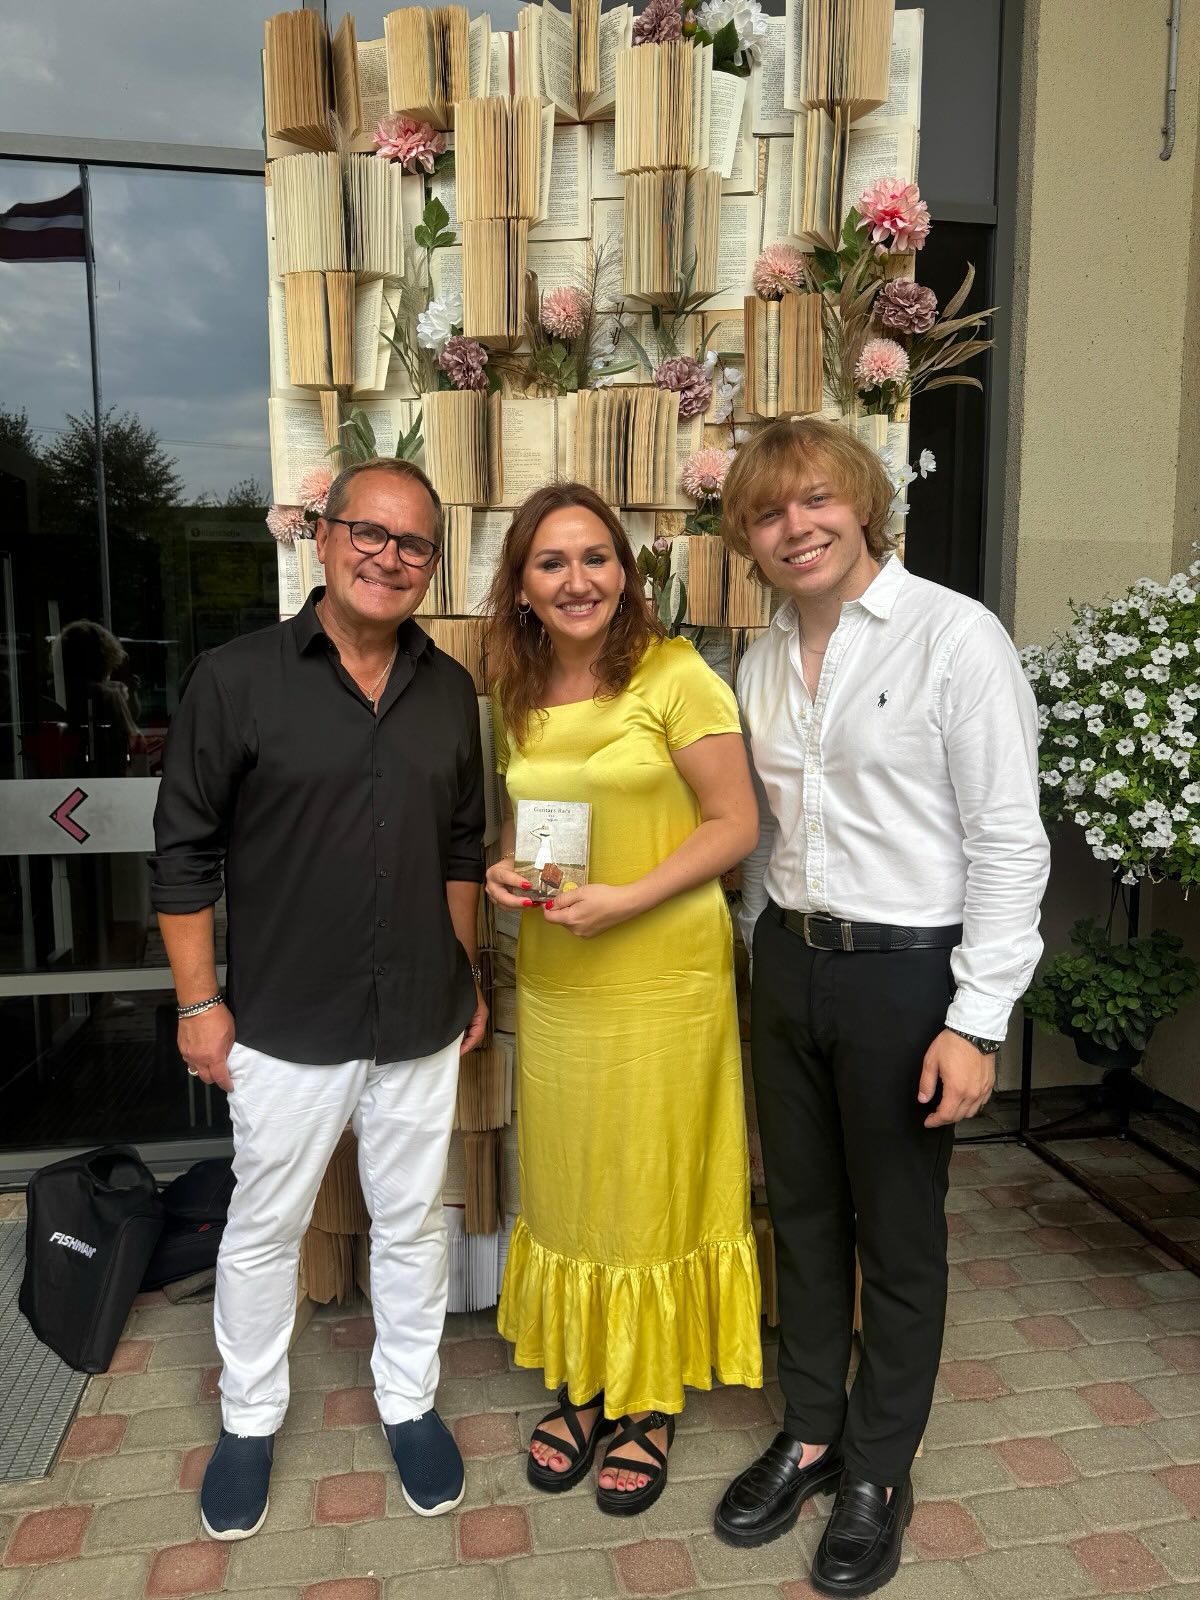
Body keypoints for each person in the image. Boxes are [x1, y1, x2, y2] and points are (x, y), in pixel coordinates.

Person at [713, 419, 1050, 1595]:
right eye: (767, 513)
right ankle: (812, 1430)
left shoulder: (955, 635)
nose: (795, 527)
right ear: (747, 538)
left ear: (862, 503)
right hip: (789, 963)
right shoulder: (759, 662)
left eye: (815, 499)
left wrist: (977, 1018)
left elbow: (1007, 838)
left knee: (898, 1234)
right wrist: (760, 957)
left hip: (908, 976)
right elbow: (770, 835)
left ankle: (879, 1465)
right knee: (802, 1215)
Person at [151, 457, 487, 1541]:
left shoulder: (450, 691)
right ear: (325, 537)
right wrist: (198, 1004)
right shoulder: (236, 679)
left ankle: (410, 1400)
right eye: (369, 533)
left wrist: (467, 971)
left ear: (433, 563)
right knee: (265, 1227)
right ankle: (248, 1418)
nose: (389, 557)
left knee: (411, 1225)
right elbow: (184, 852)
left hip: (421, 1017)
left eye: (414, 543)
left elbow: (462, 847)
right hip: (288, 1025)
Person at [484, 483, 763, 1514]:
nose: (577, 580)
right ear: (522, 585)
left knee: (648, 1175)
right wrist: (506, 870)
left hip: (662, 978)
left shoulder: (676, 674)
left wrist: (629, 898)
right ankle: (587, 1375)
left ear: (625, 571)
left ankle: (646, 1399)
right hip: (561, 976)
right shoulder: (518, 690)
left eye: (595, 557)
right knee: (572, 1176)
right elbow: (526, 824)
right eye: (551, 562)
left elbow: (734, 823)